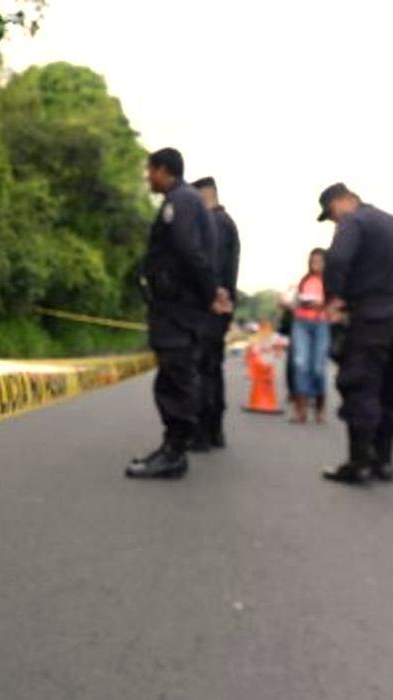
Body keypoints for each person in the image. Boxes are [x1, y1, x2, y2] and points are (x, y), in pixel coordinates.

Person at [316, 183, 393, 484]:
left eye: (331, 214)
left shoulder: (354, 221)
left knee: (361, 383)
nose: (334, 221)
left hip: (370, 313)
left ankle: (359, 463)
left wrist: (334, 298)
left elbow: (338, 260)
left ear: (344, 201)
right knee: (391, 386)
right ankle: (384, 461)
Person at [126, 148, 221, 479]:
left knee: (175, 377)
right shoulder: (189, 200)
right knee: (175, 376)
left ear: (163, 169)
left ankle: (174, 453)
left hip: (177, 310)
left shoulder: (179, 202)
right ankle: (172, 448)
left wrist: (211, 292)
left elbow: (187, 250)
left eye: (149, 170)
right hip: (180, 308)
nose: (147, 177)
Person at [190, 176, 240, 450]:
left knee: (202, 369)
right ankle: (214, 431)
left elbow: (211, 268)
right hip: (220, 309)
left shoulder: (213, 224)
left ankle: (201, 433)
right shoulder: (227, 223)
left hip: (209, 308)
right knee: (212, 370)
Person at [287, 248, 331, 423]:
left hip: (321, 323)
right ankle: (301, 410)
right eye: (313, 260)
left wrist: (321, 304)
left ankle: (320, 409)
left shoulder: (330, 282)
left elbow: (336, 305)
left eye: (319, 261)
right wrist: (290, 303)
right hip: (301, 323)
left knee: (318, 366)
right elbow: (294, 301)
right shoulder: (304, 281)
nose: (316, 264)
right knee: (301, 364)